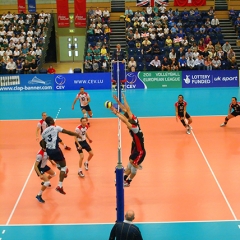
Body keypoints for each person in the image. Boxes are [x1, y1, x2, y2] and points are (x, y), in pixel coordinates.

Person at [111, 94, 146, 187]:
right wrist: (119, 101)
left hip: (140, 151)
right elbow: (126, 109)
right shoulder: (132, 121)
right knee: (130, 161)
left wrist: (115, 112)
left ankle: (128, 181)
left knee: (133, 167)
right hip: (135, 147)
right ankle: (123, 178)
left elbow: (125, 118)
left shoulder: (134, 126)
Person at [40, 116, 79, 194]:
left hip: (49, 151)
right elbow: (67, 132)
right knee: (64, 167)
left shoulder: (43, 133)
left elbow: (43, 143)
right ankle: (59, 186)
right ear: (51, 122)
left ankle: (62, 171)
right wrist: (77, 134)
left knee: (59, 164)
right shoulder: (55, 127)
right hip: (56, 150)